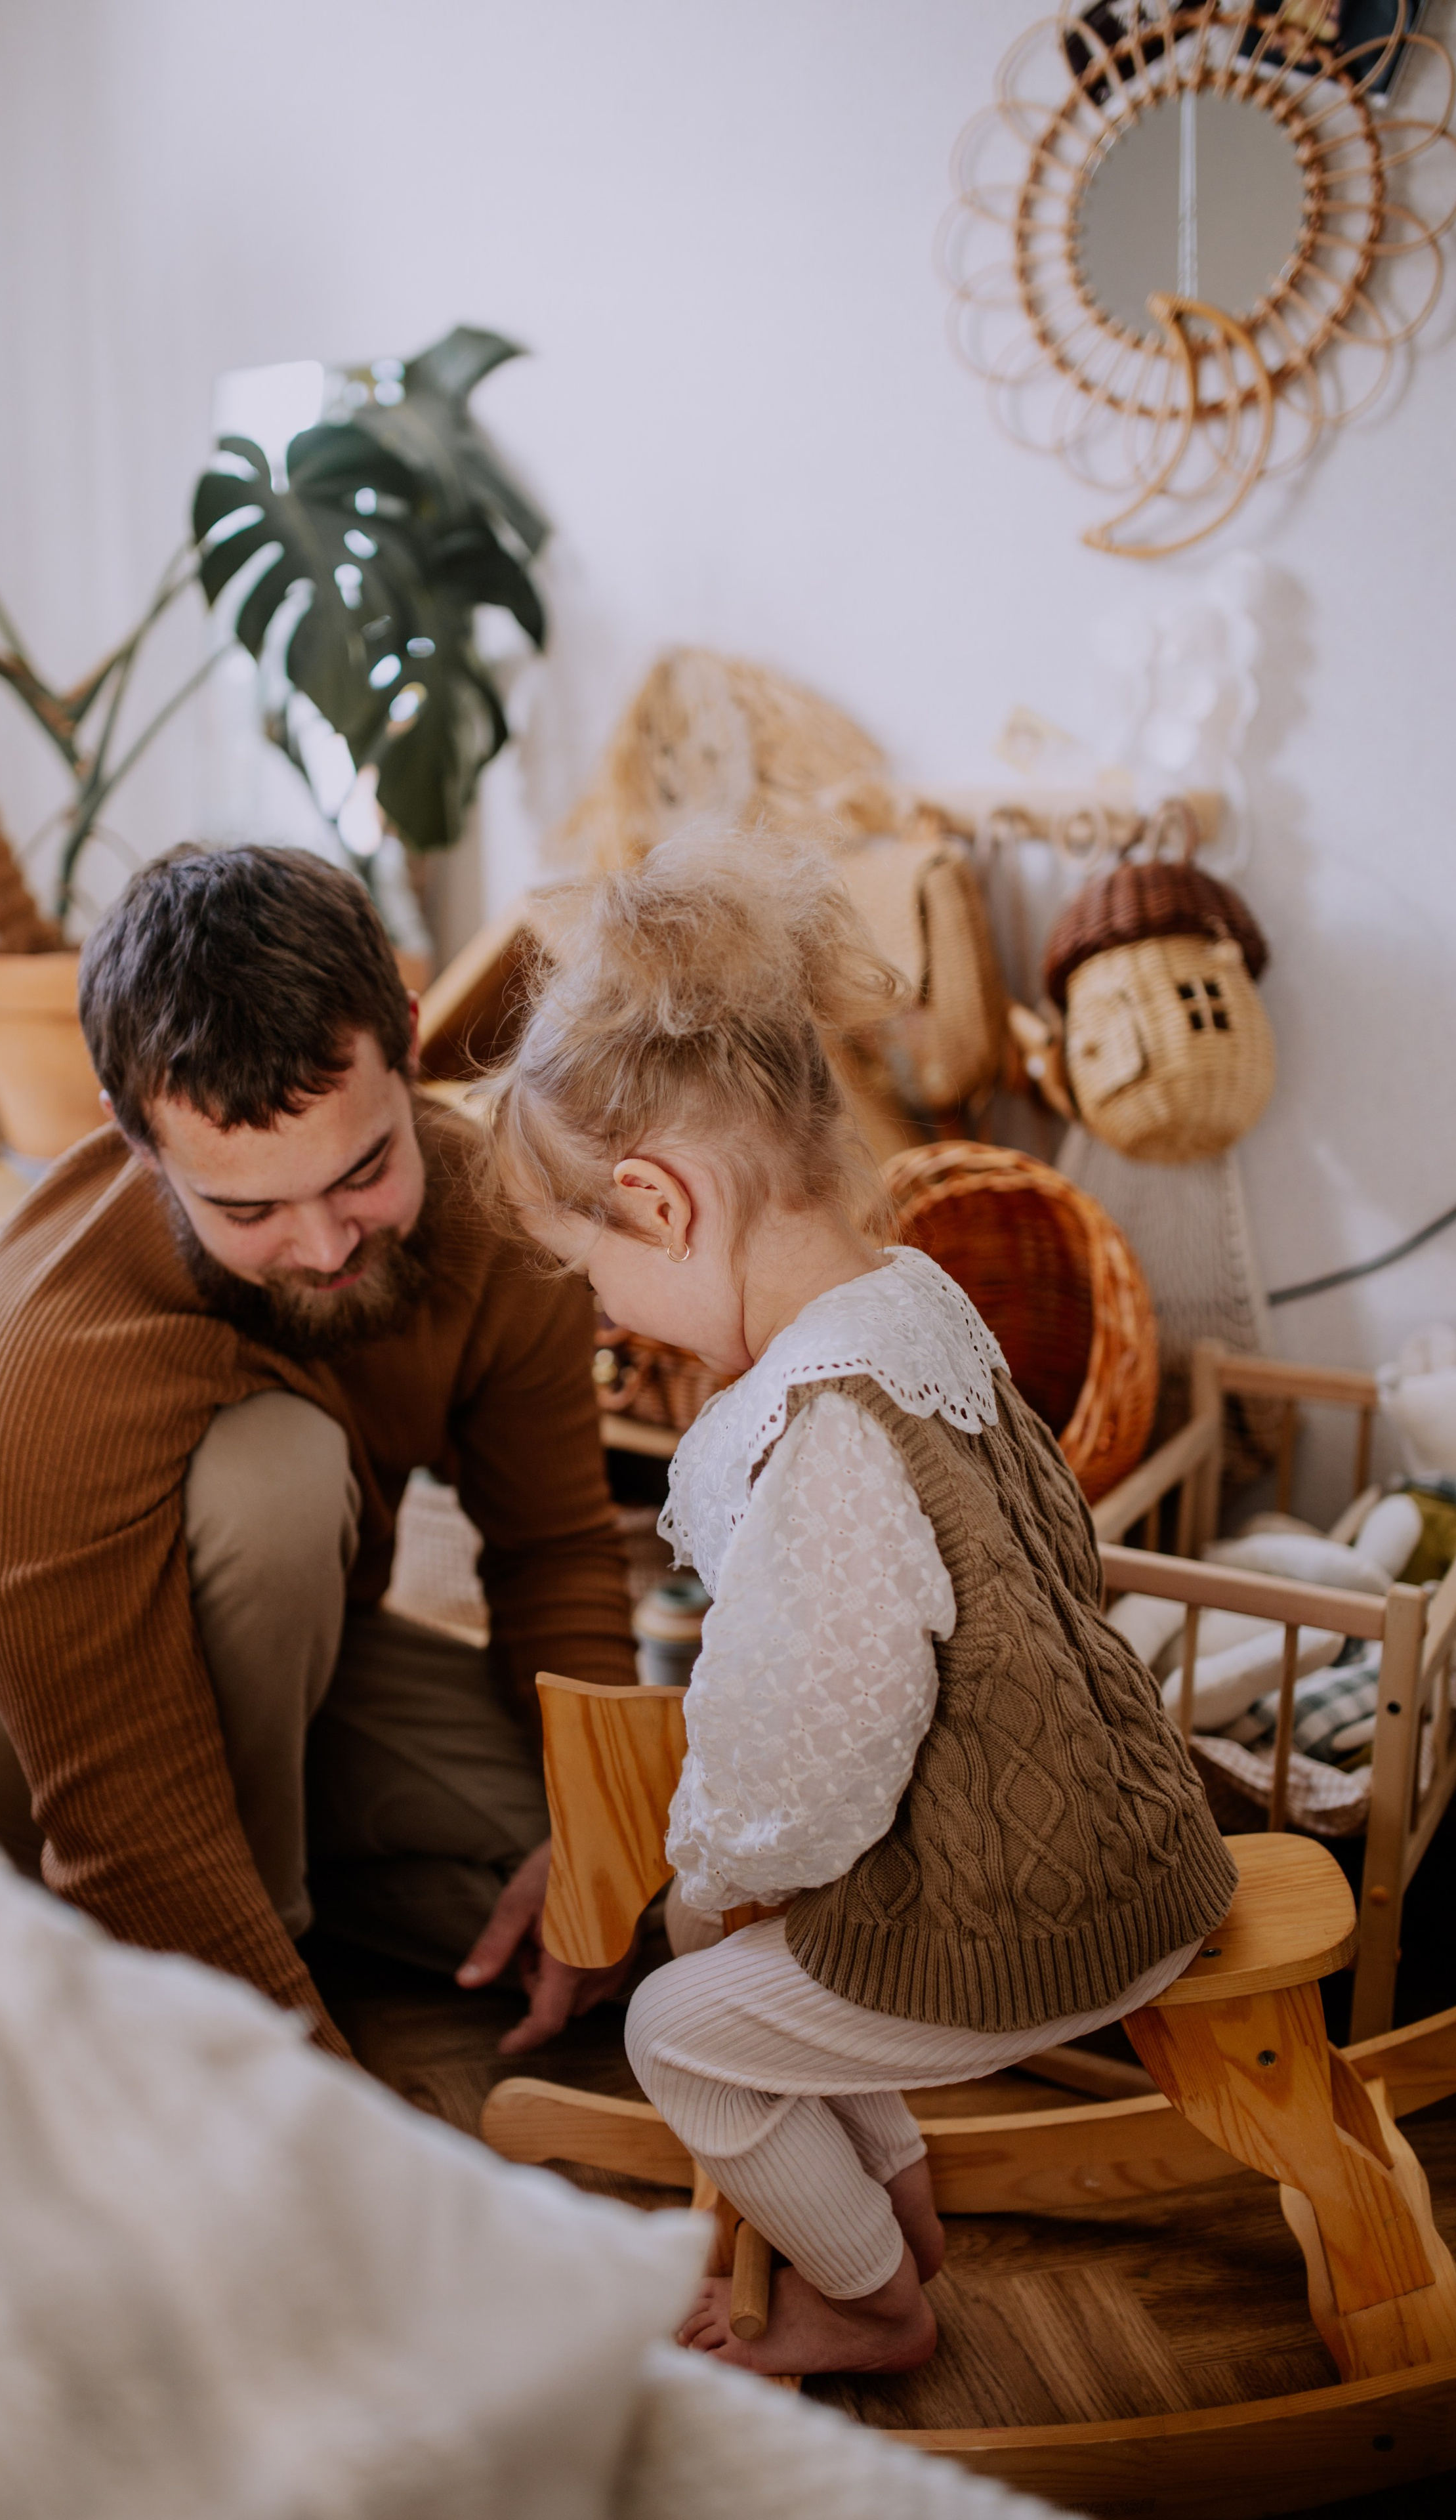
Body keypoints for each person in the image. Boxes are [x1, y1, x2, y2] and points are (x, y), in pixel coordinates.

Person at [480, 834, 1238, 2376]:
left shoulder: (819, 1428)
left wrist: (700, 1871)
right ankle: (883, 2176)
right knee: (768, 1935)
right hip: (1141, 1836)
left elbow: (809, 1741)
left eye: (587, 1274)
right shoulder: (917, 1309)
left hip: (1035, 1918)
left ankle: (868, 2299)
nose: (606, 1317)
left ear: (657, 1202)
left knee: (677, 2024)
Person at [0, 843, 639, 2062]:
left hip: (297, 1655)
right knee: (275, 1476)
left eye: (365, 1168)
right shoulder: (40, 1338)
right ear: (137, 1136)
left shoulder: (499, 1209)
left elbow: (550, 1553)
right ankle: (220, 1954)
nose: (328, 1244)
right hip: (10, 1703)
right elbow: (121, 1812)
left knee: (627, 1891)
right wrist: (316, 2110)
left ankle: (205, 1931)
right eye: (248, 1211)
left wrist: (598, 1834)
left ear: (403, 1034)